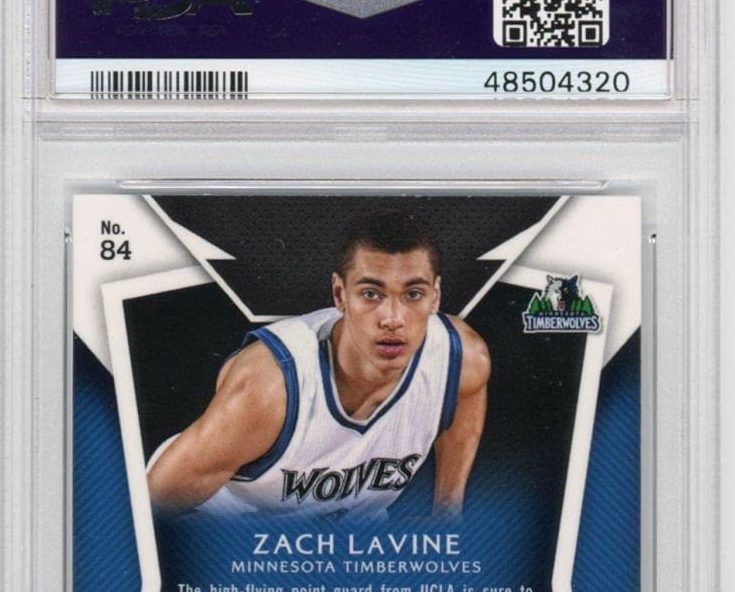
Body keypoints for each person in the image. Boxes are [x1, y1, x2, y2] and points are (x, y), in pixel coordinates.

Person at [146, 208, 490, 518]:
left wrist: (448, 512)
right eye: (371, 294)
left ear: (435, 297)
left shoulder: (460, 360)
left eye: (413, 294)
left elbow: (467, 398)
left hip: (342, 533)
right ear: (340, 295)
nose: (393, 319)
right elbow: (151, 505)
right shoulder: (271, 386)